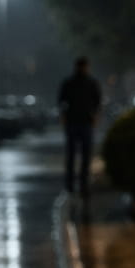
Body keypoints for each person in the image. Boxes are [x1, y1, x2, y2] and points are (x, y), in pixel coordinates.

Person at [57, 55, 102, 196]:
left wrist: (95, 116)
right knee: (73, 155)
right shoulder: (71, 83)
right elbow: (61, 101)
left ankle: (81, 184)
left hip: (84, 122)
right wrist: (64, 116)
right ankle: (72, 184)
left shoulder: (90, 83)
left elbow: (97, 101)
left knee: (83, 155)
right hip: (74, 122)